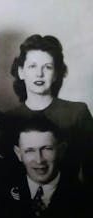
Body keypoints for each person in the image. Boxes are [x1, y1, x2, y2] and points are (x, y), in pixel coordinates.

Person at [7, 34, 93, 184]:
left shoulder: (77, 113)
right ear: (21, 72)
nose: (39, 74)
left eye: (47, 67)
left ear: (56, 74)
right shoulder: (8, 119)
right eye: (32, 66)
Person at [0, 116, 90, 218]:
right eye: (30, 150)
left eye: (46, 149)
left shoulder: (84, 198)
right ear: (19, 154)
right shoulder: (1, 196)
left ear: (61, 150)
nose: (39, 160)